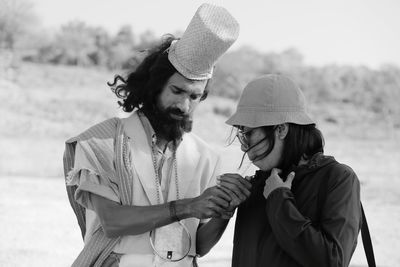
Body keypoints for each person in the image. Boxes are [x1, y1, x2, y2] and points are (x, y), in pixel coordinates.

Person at [63, 4, 251, 267]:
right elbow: (112, 221)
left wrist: (224, 210)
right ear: (155, 85)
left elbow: (198, 246)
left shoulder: (205, 156)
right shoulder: (101, 142)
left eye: (194, 96)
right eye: (177, 91)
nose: (184, 106)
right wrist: (187, 207)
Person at [218, 74, 362, 267]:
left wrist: (279, 200)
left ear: (281, 130)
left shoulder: (338, 178)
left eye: (249, 134)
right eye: (242, 136)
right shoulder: (258, 183)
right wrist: (222, 212)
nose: (244, 147)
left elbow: (332, 261)